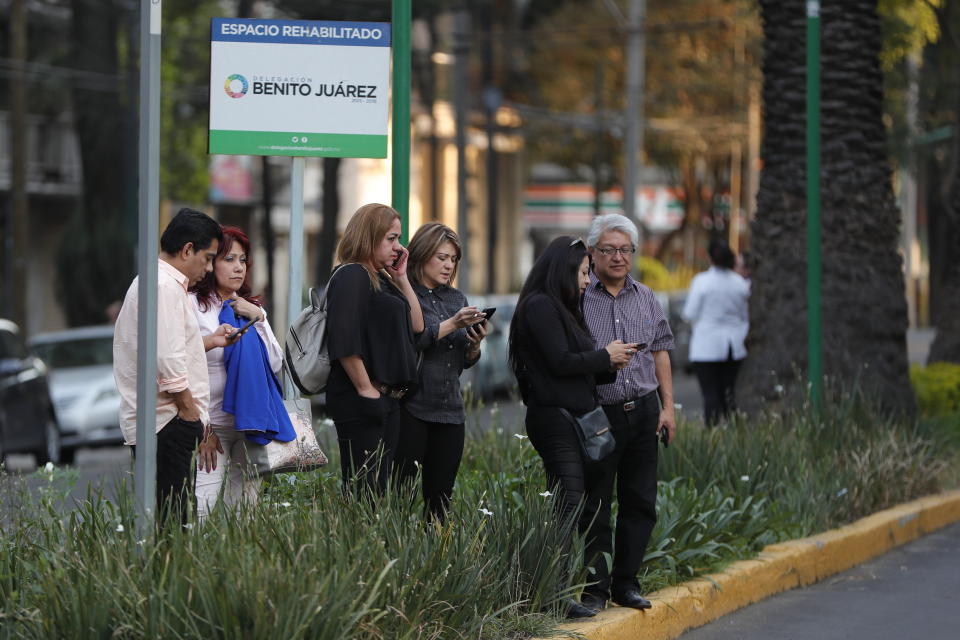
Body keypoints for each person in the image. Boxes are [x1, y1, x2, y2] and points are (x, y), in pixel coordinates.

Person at [508, 235, 637, 619]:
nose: (587, 280)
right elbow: (560, 362)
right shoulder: (540, 306)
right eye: (583, 272)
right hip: (555, 420)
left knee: (575, 504)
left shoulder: (562, 308)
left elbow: (571, 368)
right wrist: (603, 356)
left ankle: (559, 587)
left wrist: (607, 363)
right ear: (564, 270)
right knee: (567, 504)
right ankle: (551, 593)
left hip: (574, 417)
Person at [581, 213, 676, 612]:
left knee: (640, 501)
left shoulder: (647, 296)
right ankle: (594, 589)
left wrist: (668, 407)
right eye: (609, 250)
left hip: (644, 411)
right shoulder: (579, 299)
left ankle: (626, 584)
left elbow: (660, 352)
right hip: (600, 414)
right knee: (596, 503)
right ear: (592, 253)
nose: (618, 257)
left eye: (625, 250)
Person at [113, 208, 232, 527]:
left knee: (172, 517)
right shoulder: (163, 286)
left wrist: (210, 341)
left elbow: (171, 347)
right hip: (167, 421)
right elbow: (167, 360)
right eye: (207, 258)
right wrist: (190, 410)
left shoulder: (159, 283)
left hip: (164, 420)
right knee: (175, 521)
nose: (209, 269)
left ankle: (168, 573)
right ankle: (169, 576)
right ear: (187, 249)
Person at [325, 203, 424, 495]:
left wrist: (403, 277)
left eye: (399, 238)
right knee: (365, 492)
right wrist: (367, 390)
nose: (399, 247)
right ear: (369, 236)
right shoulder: (352, 274)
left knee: (377, 492)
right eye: (391, 238)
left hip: (386, 400)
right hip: (363, 400)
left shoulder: (380, 277)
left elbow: (416, 325)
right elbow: (343, 338)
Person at [189, 226, 285, 522]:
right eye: (229, 259)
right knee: (202, 512)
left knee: (244, 516)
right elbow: (184, 364)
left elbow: (276, 362)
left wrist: (258, 318)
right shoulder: (193, 305)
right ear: (211, 263)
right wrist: (201, 428)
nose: (238, 268)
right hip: (211, 427)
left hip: (250, 426)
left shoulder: (251, 308)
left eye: (243, 260)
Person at [395, 222, 488, 521]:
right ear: (421, 255)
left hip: (450, 411)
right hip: (412, 408)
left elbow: (462, 360)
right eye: (442, 257)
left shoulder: (456, 299)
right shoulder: (405, 295)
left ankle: (435, 560)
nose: (449, 265)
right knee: (401, 495)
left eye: (453, 259)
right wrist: (453, 325)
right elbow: (414, 340)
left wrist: (474, 344)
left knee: (440, 500)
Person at [682, 240, 750, 426]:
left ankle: (711, 435)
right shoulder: (739, 283)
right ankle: (734, 433)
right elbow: (745, 315)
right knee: (729, 393)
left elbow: (689, 313)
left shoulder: (702, 281)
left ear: (710, 257)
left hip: (706, 346)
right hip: (733, 345)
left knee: (710, 394)